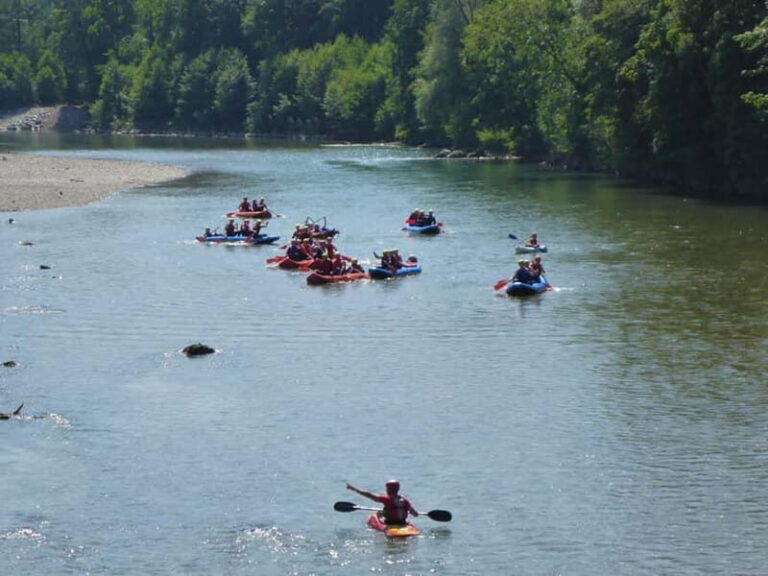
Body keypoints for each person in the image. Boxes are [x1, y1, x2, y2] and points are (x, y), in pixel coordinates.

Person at [346, 480, 419, 525]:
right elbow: (415, 514)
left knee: (378, 514)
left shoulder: (386, 499)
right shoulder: (405, 500)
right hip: (403, 523)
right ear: (398, 489)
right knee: (381, 512)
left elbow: (368, 495)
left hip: (390, 524)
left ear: (388, 489)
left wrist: (354, 489)